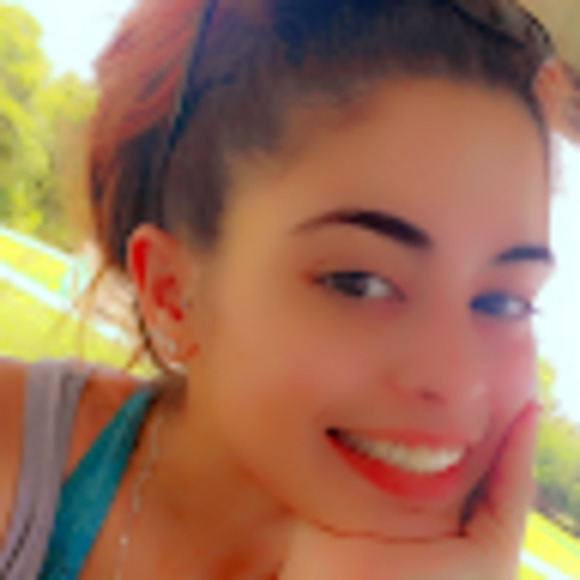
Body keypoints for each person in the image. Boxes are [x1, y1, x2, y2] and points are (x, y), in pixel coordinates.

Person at [0, 0, 560, 578]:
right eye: (360, 283)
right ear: (171, 294)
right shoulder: (20, 453)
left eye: (504, 302)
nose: (457, 382)